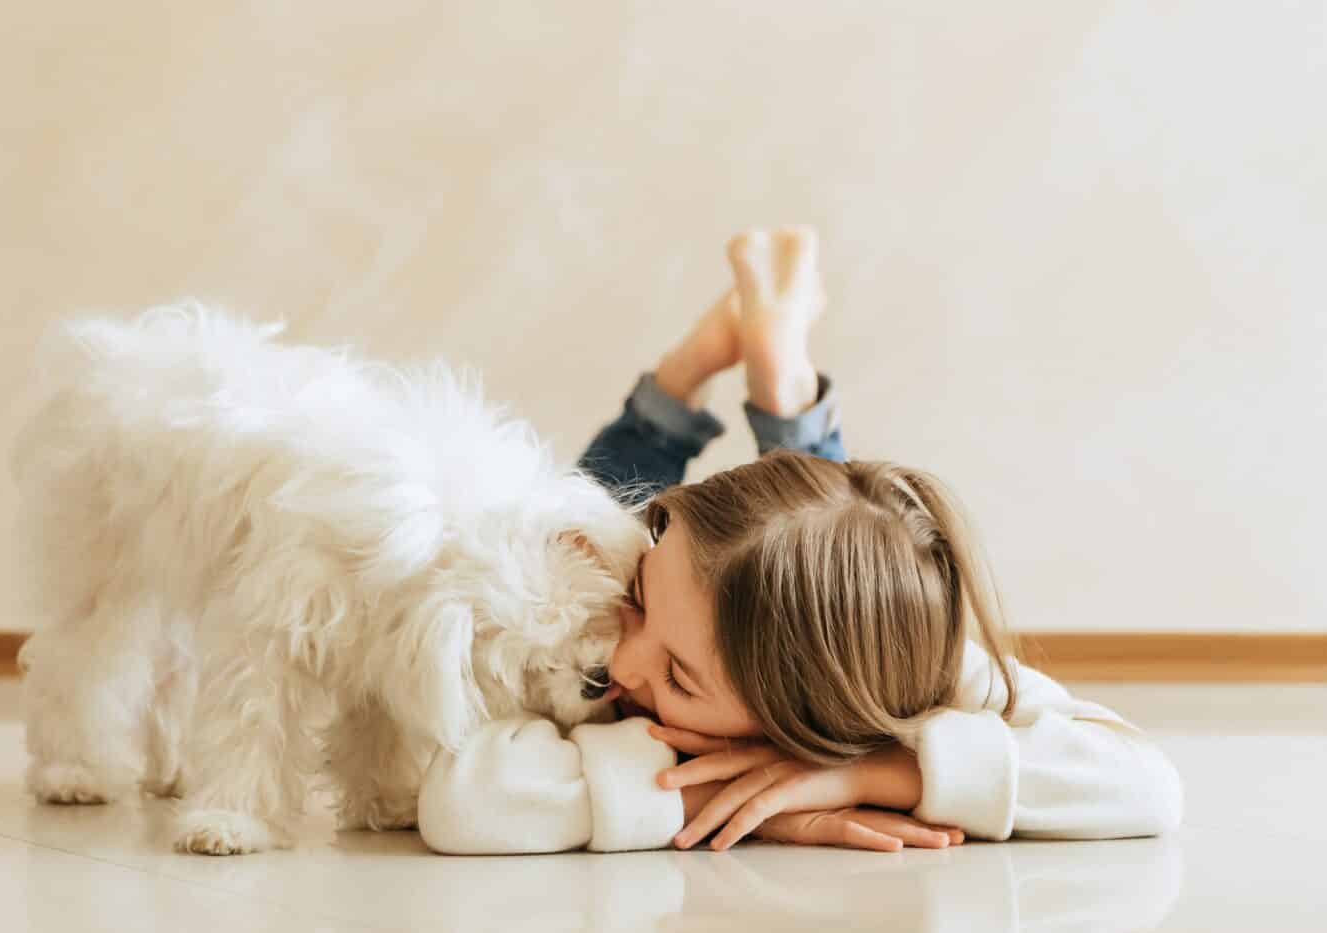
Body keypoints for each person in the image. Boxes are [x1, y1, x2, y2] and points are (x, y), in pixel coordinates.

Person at [416, 228, 1182, 855]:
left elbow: (1147, 784)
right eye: (643, 600)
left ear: (818, 727)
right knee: (600, 518)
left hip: (804, 642)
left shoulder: (913, 678)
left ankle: (732, 380)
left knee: (806, 545)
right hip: (674, 557)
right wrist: (716, 786)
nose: (620, 659)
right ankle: (758, 386)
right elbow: (455, 796)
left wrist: (874, 771)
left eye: (682, 679)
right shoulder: (607, 622)